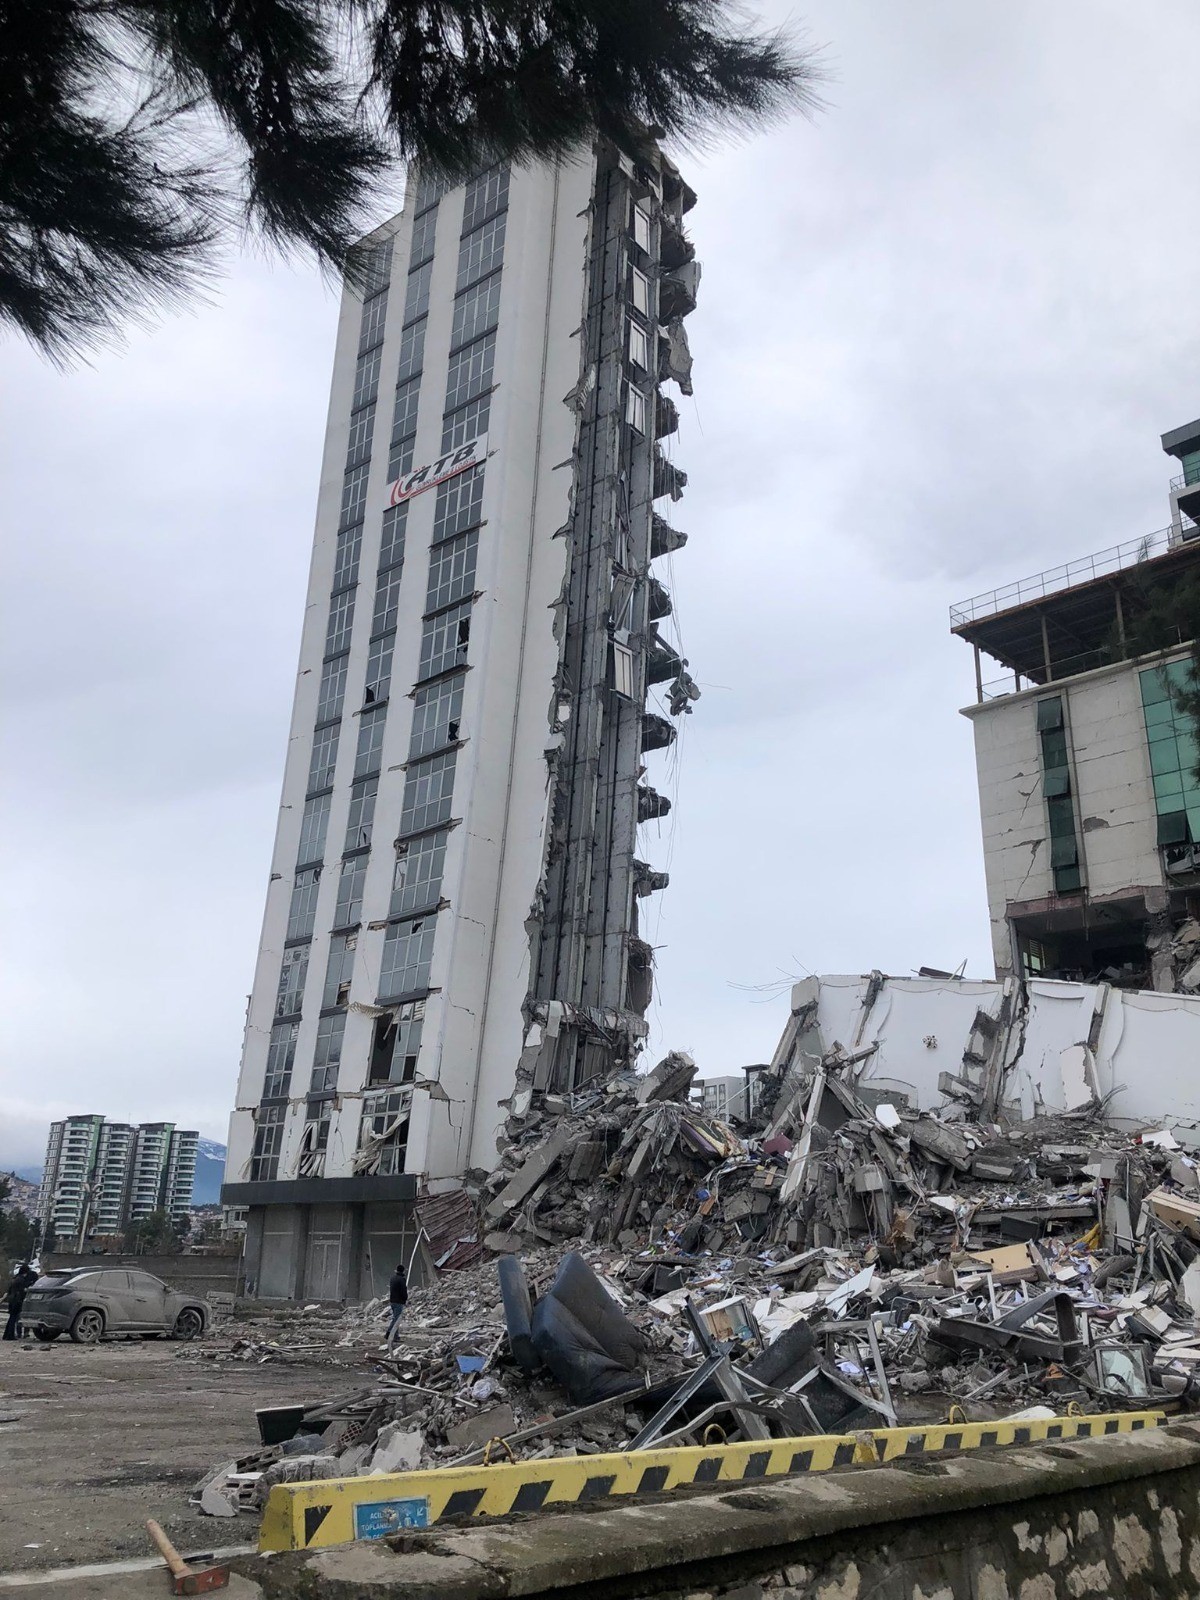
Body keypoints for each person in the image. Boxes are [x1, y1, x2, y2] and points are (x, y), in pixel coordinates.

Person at [3, 1263, 38, 1342]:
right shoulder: (21, 1280)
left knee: (11, 1318)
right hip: (17, 1301)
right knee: (14, 1318)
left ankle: (6, 1334)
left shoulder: (15, 1278)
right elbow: (23, 1290)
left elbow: (9, 1290)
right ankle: (10, 1335)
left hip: (12, 1300)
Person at [383, 1259, 408, 1351]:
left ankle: (396, 1335)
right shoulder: (402, 1280)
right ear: (403, 1271)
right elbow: (403, 1291)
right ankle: (389, 1333)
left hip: (392, 1301)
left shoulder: (392, 1278)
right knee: (396, 1319)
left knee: (396, 1318)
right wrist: (405, 1299)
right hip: (399, 1302)